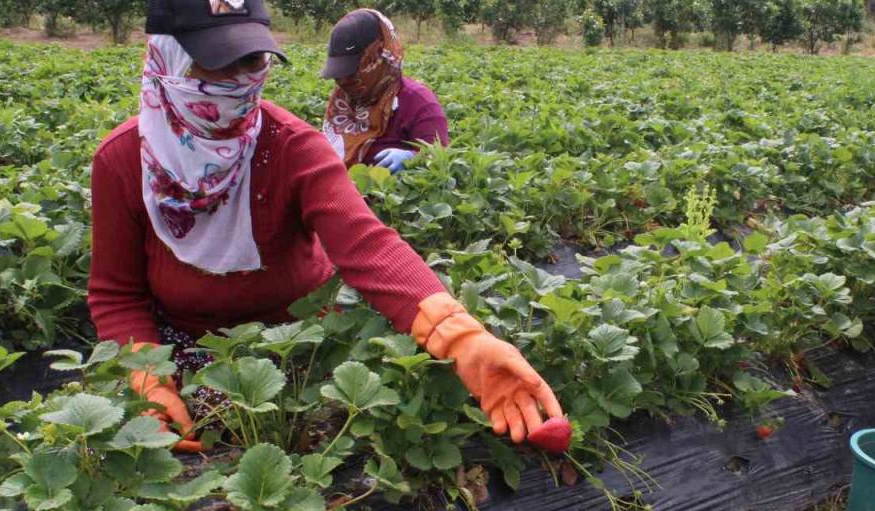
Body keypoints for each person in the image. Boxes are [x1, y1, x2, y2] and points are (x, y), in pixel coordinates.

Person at [89, 0, 559, 453]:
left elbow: (367, 244)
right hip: (186, 341)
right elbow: (118, 293)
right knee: (163, 430)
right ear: (167, 58)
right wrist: (148, 376)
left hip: (301, 339)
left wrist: (463, 338)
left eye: (252, 59)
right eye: (217, 63)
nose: (239, 81)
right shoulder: (124, 162)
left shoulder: (292, 147)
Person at [320, 8, 450, 173]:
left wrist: (413, 158)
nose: (342, 81)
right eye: (339, 73)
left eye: (351, 72)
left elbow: (441, 157)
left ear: (379, 58)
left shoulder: (418, 102)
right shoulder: (342, 101)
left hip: (390, 196)